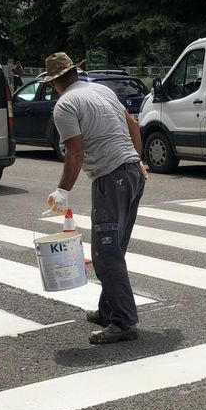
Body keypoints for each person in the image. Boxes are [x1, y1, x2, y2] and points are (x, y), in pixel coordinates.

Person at [44, 52, 149, 345]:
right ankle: (108, 310)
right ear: (75, 73)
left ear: (54, 83)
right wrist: (138, 161)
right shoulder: (102, 90)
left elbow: (74, 152)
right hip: (132, 174)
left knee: (106, 256)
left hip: (110, 177)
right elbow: (134, 127)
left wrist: (63, 190)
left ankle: (124, 322)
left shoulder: (65, 105)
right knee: (115, 248)